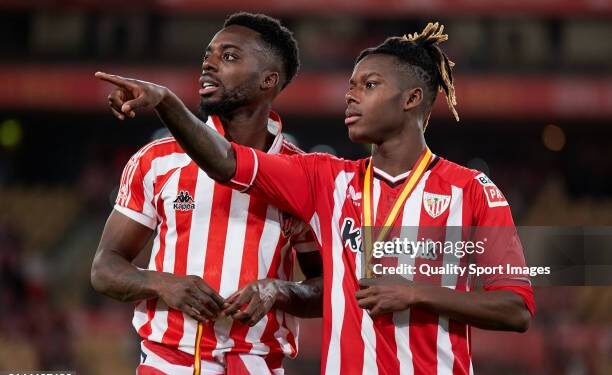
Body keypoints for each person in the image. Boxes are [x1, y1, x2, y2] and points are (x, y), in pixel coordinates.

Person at [95, 22, 535, 375]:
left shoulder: (473, 189)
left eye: (368, 85)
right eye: (351, 84)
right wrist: (167, 102)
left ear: (411, 99)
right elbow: (227, 162)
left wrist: (416, 294)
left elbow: (516, 308)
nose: (350, 95)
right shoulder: (327, 180)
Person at [91, 13, 323, 375]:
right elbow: (104, 268)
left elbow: (326, 289)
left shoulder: (304, 176)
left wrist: (278, 290)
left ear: (268, 80)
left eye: (229, 57)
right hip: (166, 362)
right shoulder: (157, 161)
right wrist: (161, 283)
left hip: (258, 364)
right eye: (208, 56)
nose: (209, 65)